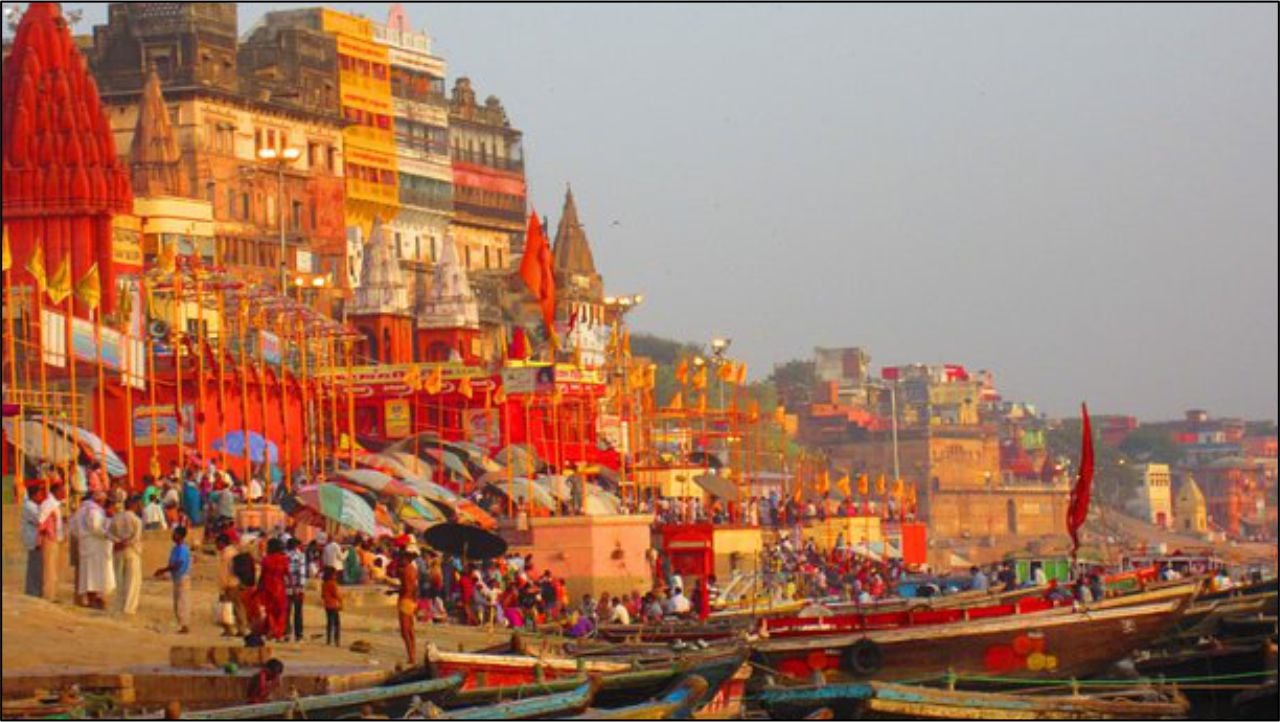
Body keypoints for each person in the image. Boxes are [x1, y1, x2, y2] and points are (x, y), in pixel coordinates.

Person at [79, 491, 116, 610]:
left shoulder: (87, 509)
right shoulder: (93, 511)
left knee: (94, 574)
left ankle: (96, 597)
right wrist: (107, 534)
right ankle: (93, 598)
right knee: (92, 574)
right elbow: (95, 528)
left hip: (94, 546)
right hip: (94, 546)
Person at [154, 526, 192, 633]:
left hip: (182, 577)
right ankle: (181, 624)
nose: (173, 536)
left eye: (175, 534)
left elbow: (178, 564)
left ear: (180, 535)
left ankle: (184, 625)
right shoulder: (175, 548)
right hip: (177, 578)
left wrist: (163, 570)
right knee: (177, 602)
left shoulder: (183, 549)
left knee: (182, 601)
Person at [111, 495, 144, 616]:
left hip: (119, 551)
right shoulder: (137, 520)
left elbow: (109, 533)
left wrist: (118, 542)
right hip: (132, 551)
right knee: (132, 580)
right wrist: (126, 543)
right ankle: (129, 608)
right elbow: (136, 537)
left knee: (119, 580)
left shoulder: (116, 518)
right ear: (134, 505)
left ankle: (119, 605)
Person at [258, 538, 290, 641]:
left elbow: (262, 575)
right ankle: (278, 633)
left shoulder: (266, 559)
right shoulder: (284, 559)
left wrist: (259, 587)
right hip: (280, 587)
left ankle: (272, 630)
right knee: (281, 611)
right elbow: (287, 574)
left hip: (267, 587)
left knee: (270, 611)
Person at [40, 482, 66, 600]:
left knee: (55, 568)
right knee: (50, 568)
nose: (64, 493)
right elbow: (41, 521)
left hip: (57, 539)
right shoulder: (48, 504)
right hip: (50, 539)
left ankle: (53, 593)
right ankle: (49, 594)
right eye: (61, 490)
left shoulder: (56, 504)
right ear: (55, 491)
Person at [397, 542, 421, 664]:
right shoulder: (413, 569)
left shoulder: (406, 571)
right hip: (412, 600)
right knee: (410, 630)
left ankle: (411, 656)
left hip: (405, 600)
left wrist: (397, 590)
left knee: (405, 631)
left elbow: (406, 588)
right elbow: (415, 588)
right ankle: (413, 654)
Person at [22, 484, 46, 597]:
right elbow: (40, 519)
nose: (41, 496)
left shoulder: (34, 505)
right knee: (35, 565)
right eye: (39, 494)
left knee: (37, 564)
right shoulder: (29, 506)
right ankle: (33, 589)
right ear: (34, 495)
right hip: (33, 538)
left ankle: (34, 588)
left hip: (36, 537)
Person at [285, 538, 308, 643]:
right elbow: (301, 572)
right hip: (297, 588)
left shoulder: (284, 555)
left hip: (286, 587)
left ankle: (287, 634)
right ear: (296, 546)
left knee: (287, 612)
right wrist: (301, 587)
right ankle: (299, 635)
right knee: (298, 612)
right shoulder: (300, 556)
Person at [322, 568, 343, 646]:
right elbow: (336, 594)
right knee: (337, 623)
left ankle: (328, 640)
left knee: (329, 623)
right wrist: (341, 601)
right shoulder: (333, 583)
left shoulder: (324, 584)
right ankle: (336, 640)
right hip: (333, 605)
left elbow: (323, 595)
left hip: (327, 605)